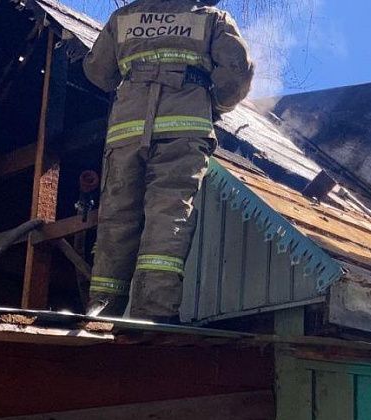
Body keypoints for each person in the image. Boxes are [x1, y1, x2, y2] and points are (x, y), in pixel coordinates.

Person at [83, 0, 253, 322]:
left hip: (126, 132)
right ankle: (154, 312)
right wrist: (212, 102)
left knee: (117, 220)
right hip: (183, 127)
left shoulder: (123, 17)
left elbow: (97, 71)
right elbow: (237, 72)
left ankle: (102, 309)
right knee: (168, 216)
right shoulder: (211, 18)